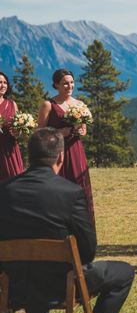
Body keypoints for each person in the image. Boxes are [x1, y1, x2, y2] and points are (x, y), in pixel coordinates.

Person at [0, 128, 134, 313]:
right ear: (60, 157)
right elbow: (88, 251)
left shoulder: (3, 191)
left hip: (14, 286)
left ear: (29, 156)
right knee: (123, 273)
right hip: (62, 285)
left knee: (31, 270)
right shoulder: (70, 193)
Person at [38, 69, 94, 226]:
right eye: (65, 83)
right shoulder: (48, 105)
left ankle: (81, 227)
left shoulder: (79, 105)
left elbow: (84, 128)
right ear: (56, 85)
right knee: (57, 190)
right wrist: (58, 132)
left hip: (76, 152)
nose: (69, 86)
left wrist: (82, 130)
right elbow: (39, 133)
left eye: (71, 82)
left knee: (78, 187)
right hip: (56, 154)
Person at [0, 71, 24, 179]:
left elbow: (19, 132)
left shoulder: (12, 104)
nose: (3, 85)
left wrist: (18, 132)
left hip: (10, 150)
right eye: (0, 82)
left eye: (5, 82)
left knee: (13, 184)